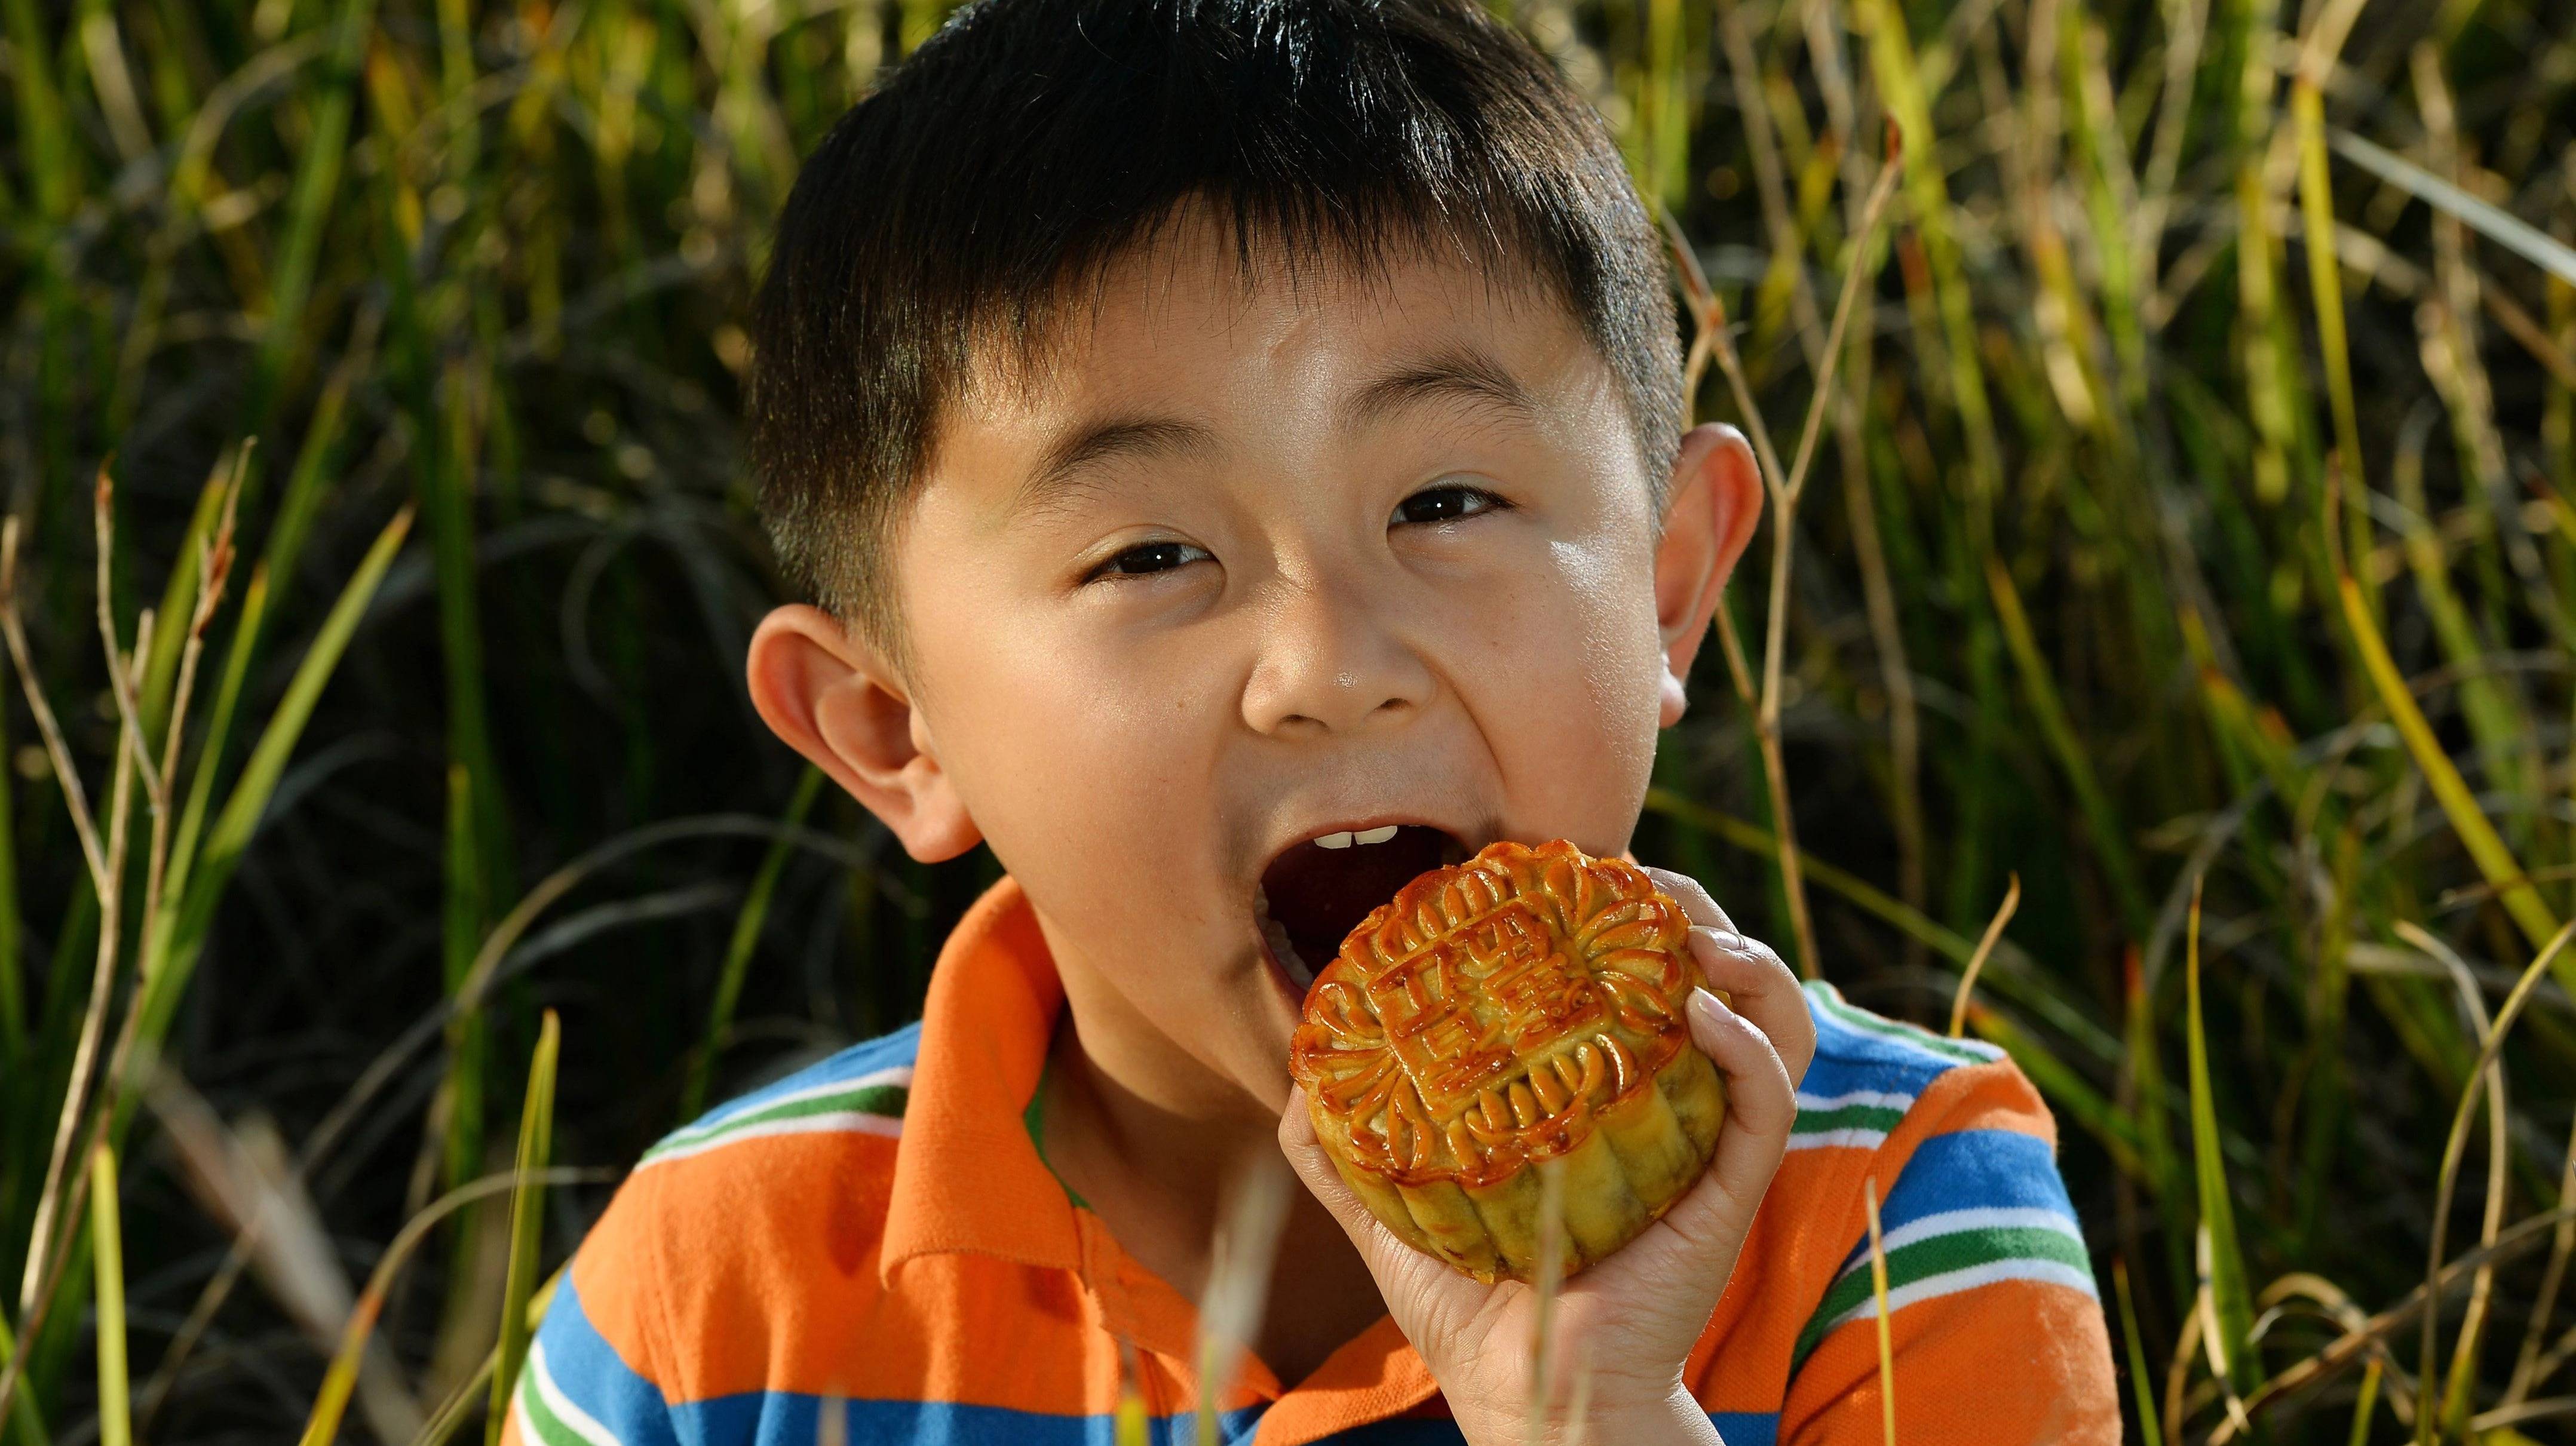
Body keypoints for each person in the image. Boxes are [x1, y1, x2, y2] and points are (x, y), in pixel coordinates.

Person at [503, 0, 2119, 1439]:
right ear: (893, 730)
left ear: (1667, 588)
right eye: (1151, 553)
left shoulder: (1899, 1218)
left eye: (1446, 498)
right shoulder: (710, 1302)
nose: (1332, 664)